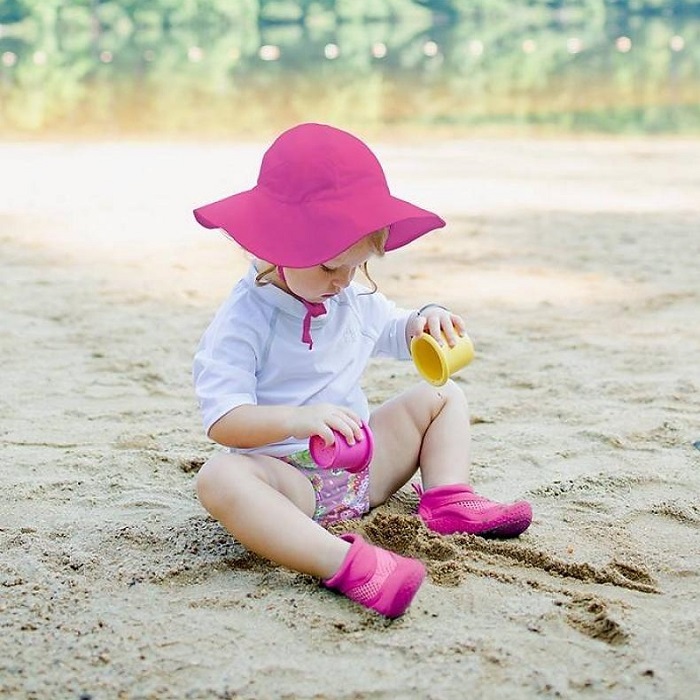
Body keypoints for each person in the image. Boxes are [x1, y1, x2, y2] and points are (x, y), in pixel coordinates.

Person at [192, 123, 532, 618]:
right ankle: (350, 565)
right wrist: (297, 420)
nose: (344, 280)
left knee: (443, 398)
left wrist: (425, 320)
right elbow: (224, 419)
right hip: (290, 484)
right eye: (332, 265)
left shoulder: (348, 296)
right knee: (219, 479)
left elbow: (396, 329)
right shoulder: (245, 320)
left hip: (362, 468)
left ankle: (447, 500)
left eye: (358, 265)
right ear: (280, 244)